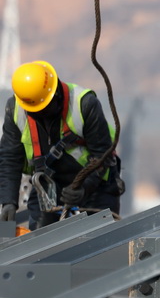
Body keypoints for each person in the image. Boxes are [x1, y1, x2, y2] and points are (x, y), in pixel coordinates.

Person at [0, 61, 124, 229]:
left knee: (100, 238)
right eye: (34, 111)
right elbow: (9, 158)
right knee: (39, 242)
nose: (40, 114)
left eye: (44, 109)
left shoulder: (84, 104)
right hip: (47, 183)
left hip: (95, 182)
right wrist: (8, 201)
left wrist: (84, 188)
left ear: (56, 94)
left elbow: (102, 155)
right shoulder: (16, 109)